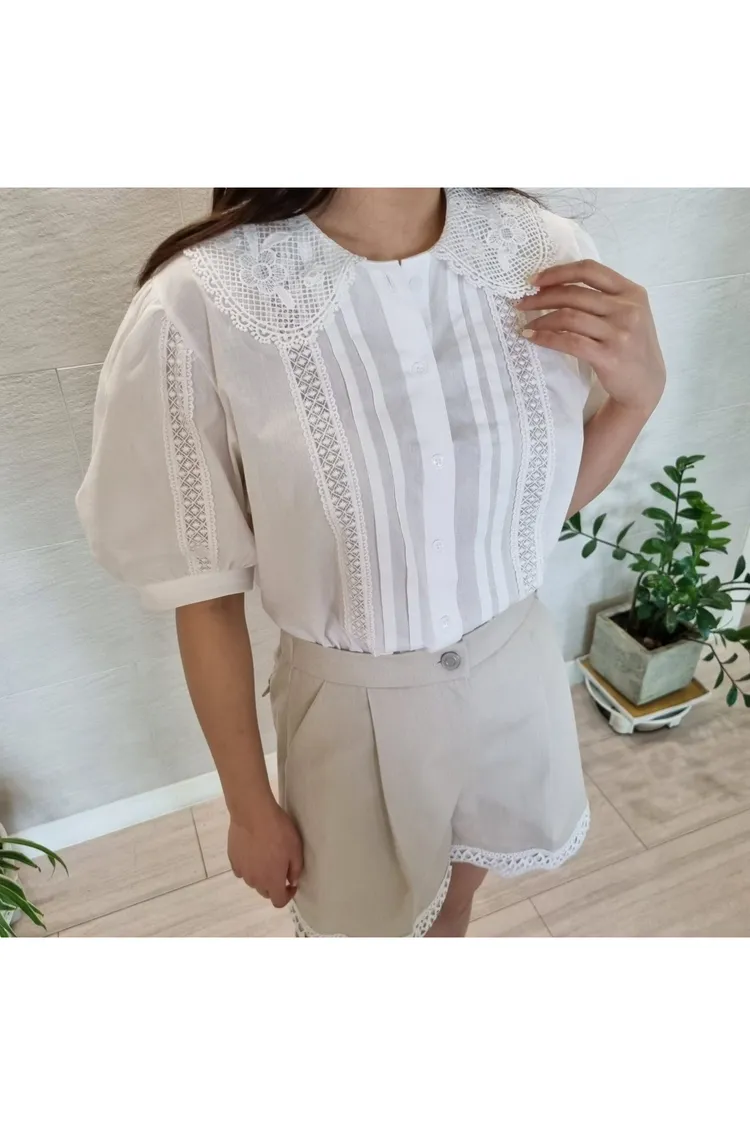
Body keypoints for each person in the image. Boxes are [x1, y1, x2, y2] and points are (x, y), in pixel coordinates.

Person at [77, 188, 665, 937]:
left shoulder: (539, 249)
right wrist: (249, 808)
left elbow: (528, 511)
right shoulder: (200, 303)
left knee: (454, 907)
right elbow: (204, 595)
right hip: (351, 723)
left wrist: (637, 400)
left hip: (514, 674)